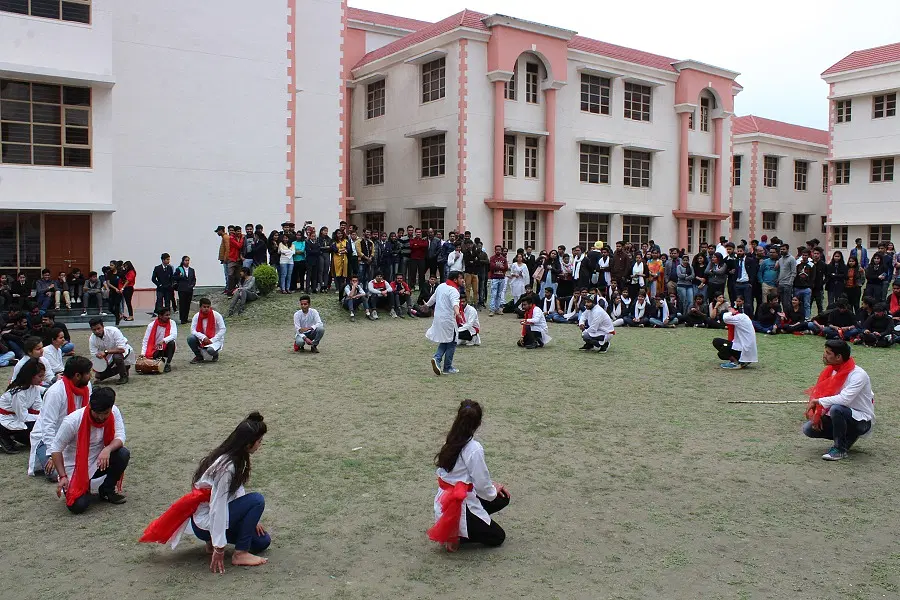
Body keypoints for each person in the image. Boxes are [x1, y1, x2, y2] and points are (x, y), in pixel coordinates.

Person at [139, 412, 270, 571]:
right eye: (259, 441)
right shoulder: (226, 467)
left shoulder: (235, 457)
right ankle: (239, 553)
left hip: (210, 521)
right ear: (248, 443)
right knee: (256, 500)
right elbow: (217, 506)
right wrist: (219, 548)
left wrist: (250, 516)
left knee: (262, 541)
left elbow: (236, 490)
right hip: (206, 523)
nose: (260, 445)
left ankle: (213, 541)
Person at [428, 399, 510, 551]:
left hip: (444, 499)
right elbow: (482, 484)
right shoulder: (473, 448)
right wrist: (494, 489)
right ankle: (458, 533)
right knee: (498, 536)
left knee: (501, 498)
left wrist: (492, 489)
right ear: (478, 423)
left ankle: (464, 526)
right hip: (460, 501)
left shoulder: (450, 440)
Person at [51, 387, 128, 513]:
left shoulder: (114, 412)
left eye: (105, 413)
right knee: (78, 506)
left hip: (98, 461)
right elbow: (56, 449)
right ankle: (81, 489)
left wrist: (108, 449)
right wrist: (63, 476)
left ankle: (107, 490)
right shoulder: (72, 421)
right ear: (90, 406)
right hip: (75, 467)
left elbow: (120, 436)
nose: (101, 417)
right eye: (97, 413)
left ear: (111, 408)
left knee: (122, 453)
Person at [802, 340, 874, 461]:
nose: (824, 355)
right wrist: (818, 414)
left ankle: (840, 449)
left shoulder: (858, 375)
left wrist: (818, 401)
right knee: (808, 429)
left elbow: (844, 399)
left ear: (839, 357)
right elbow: (828, 395)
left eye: (828, 353)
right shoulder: (831, 371)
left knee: (837, 408)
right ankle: (848, 437)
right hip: (839, 415)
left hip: (861, 420)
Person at [27, 356, 94, 479]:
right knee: (56, 473)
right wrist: (53, 454)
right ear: (77, 376)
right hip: (49, 439)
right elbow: (48, 426)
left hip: (74, 436)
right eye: (88, 373)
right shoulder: (55, 392)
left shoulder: (87, 386)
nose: (90, 376)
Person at [0, 358, 44, 453]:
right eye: (40, 376)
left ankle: (14, 435)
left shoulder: (35, 388)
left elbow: (38, 408)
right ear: (31, 376)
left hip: (20, 416)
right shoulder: (18, 392)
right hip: (7, 418)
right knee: (37, 427)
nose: (42, 379)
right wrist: (42, 418)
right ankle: (4, 435)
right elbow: (23, 417)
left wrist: (44, 416)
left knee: (42, 427)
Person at [426, 271, 464, 375]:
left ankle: (437, 358)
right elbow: (455, 304)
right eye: (461, 278)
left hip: (438, 318)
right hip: (448, 319)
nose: (463, 280)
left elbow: (433, 298)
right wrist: (458, 313)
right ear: (455, 280)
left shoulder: (441, 286)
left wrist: (426, 305)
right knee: (452, 341)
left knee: (446, 340)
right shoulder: (454, 291)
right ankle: (447, 367)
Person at [88, 318, 135, 384]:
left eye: (98, 328)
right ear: (91, 329)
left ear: (103, 326)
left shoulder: (114, 331)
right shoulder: (92, 339)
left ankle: (123, 376)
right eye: (94, 330)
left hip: (122, 353)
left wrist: (106, 352)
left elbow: (122, 349)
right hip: (107, 357)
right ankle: (125, 367)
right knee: (99, 376)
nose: (97, 331)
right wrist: (98, 359)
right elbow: (94, 356)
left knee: (117, 357)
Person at [188, 298, 226, 364]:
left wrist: (212, 340)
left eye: (208, 307)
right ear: (200, 307)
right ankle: (199, 356)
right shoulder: (196, 316)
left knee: (210, 350)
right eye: (204, 307)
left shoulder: (216, 315)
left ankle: (215, 354)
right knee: (190, 338)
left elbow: (223, 329)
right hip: (202, 339)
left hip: (215, 340)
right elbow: (193, 330)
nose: (206, 309)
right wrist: (203, 337)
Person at [141, 307, 177, 373]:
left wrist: (164, 340)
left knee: (172, 343)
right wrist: (143, 353)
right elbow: (146, 340)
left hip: (167, 347)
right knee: (156, 360)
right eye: (166, 315)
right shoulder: (151, 325)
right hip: (155, 349)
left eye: (169, 315)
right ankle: (160, 361)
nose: (169, 317)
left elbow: (174, 335)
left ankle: (168, 364)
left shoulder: (172, 322)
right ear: (160, 316)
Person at [174, 256, 197, 325]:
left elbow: (194, 279)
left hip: (189, 289)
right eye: (186, 260)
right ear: (183, 261)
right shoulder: (179, 269)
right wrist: (180, 276)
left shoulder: (191, 270)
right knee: (182, 304)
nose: (187, 262)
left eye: (188, 260)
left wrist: (192, 285)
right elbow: (174, 277)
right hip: (182, 289)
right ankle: (182, 319)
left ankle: (186, 318)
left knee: (187, 304)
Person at [487, 245, 508, 316]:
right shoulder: (492, 258)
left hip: (502, 278)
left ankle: (498, 309)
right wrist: (500, 266)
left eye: (499, 250)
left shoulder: (504, 259)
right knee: (493, 294)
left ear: (501, 251)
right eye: (497, 250)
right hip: (495, 278)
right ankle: (492, 309)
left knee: (499, 294)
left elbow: (506, 267)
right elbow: (492, 267)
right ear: (495, 250)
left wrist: (498, 267)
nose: (498, 251)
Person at [216, 225, 230, 291]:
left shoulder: (225, 237)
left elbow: (227, 249)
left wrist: (225, 259)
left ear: (221, 230)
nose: (217, 233)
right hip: (225, 259)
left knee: (227, 274)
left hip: (226, 260)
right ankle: (227, 287)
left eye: (218, 231)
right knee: (226, 274)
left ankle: (228, 287)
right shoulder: (224, 237)